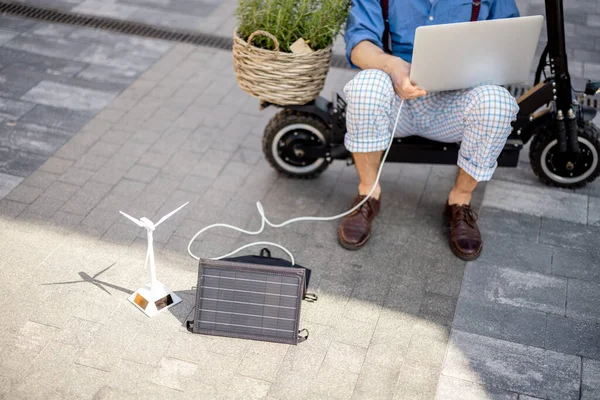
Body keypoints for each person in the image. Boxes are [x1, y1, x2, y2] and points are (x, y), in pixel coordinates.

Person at [338, 0, 521, 260]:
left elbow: (510, 42)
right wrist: (393, 67)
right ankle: (367, 192)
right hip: (396, 100)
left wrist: (476, 73)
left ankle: (460, 201)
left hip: (455, 105)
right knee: (366, 85)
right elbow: (358, 44)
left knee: (498, 102)